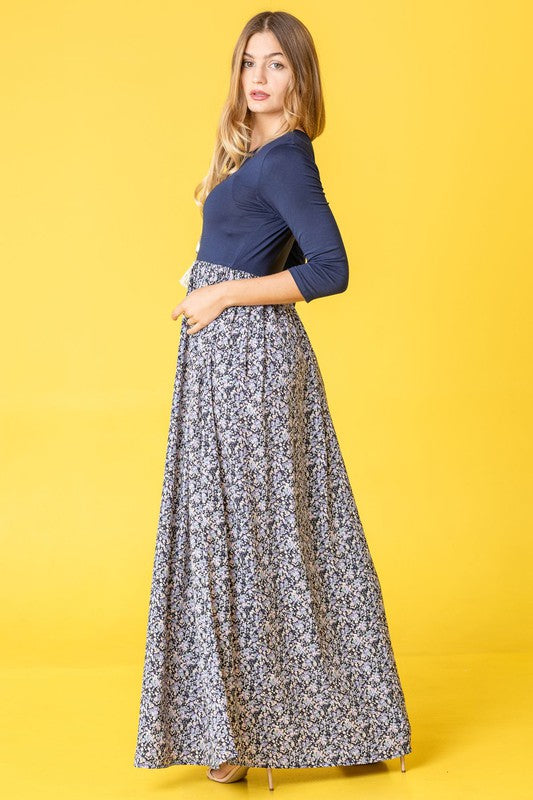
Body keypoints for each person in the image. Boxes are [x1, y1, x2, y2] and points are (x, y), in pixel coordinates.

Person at [133, 10, 412, 792]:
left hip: (251, 366)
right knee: (243, 544)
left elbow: (330, 267)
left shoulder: (288, 158)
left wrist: (221, 300)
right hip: (224, 367)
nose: (259, 76)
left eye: (278, 65)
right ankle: (243, 728)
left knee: (263, 546)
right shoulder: (251, 154)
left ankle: (312, 724)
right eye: (249, 62)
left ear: (300, 77)